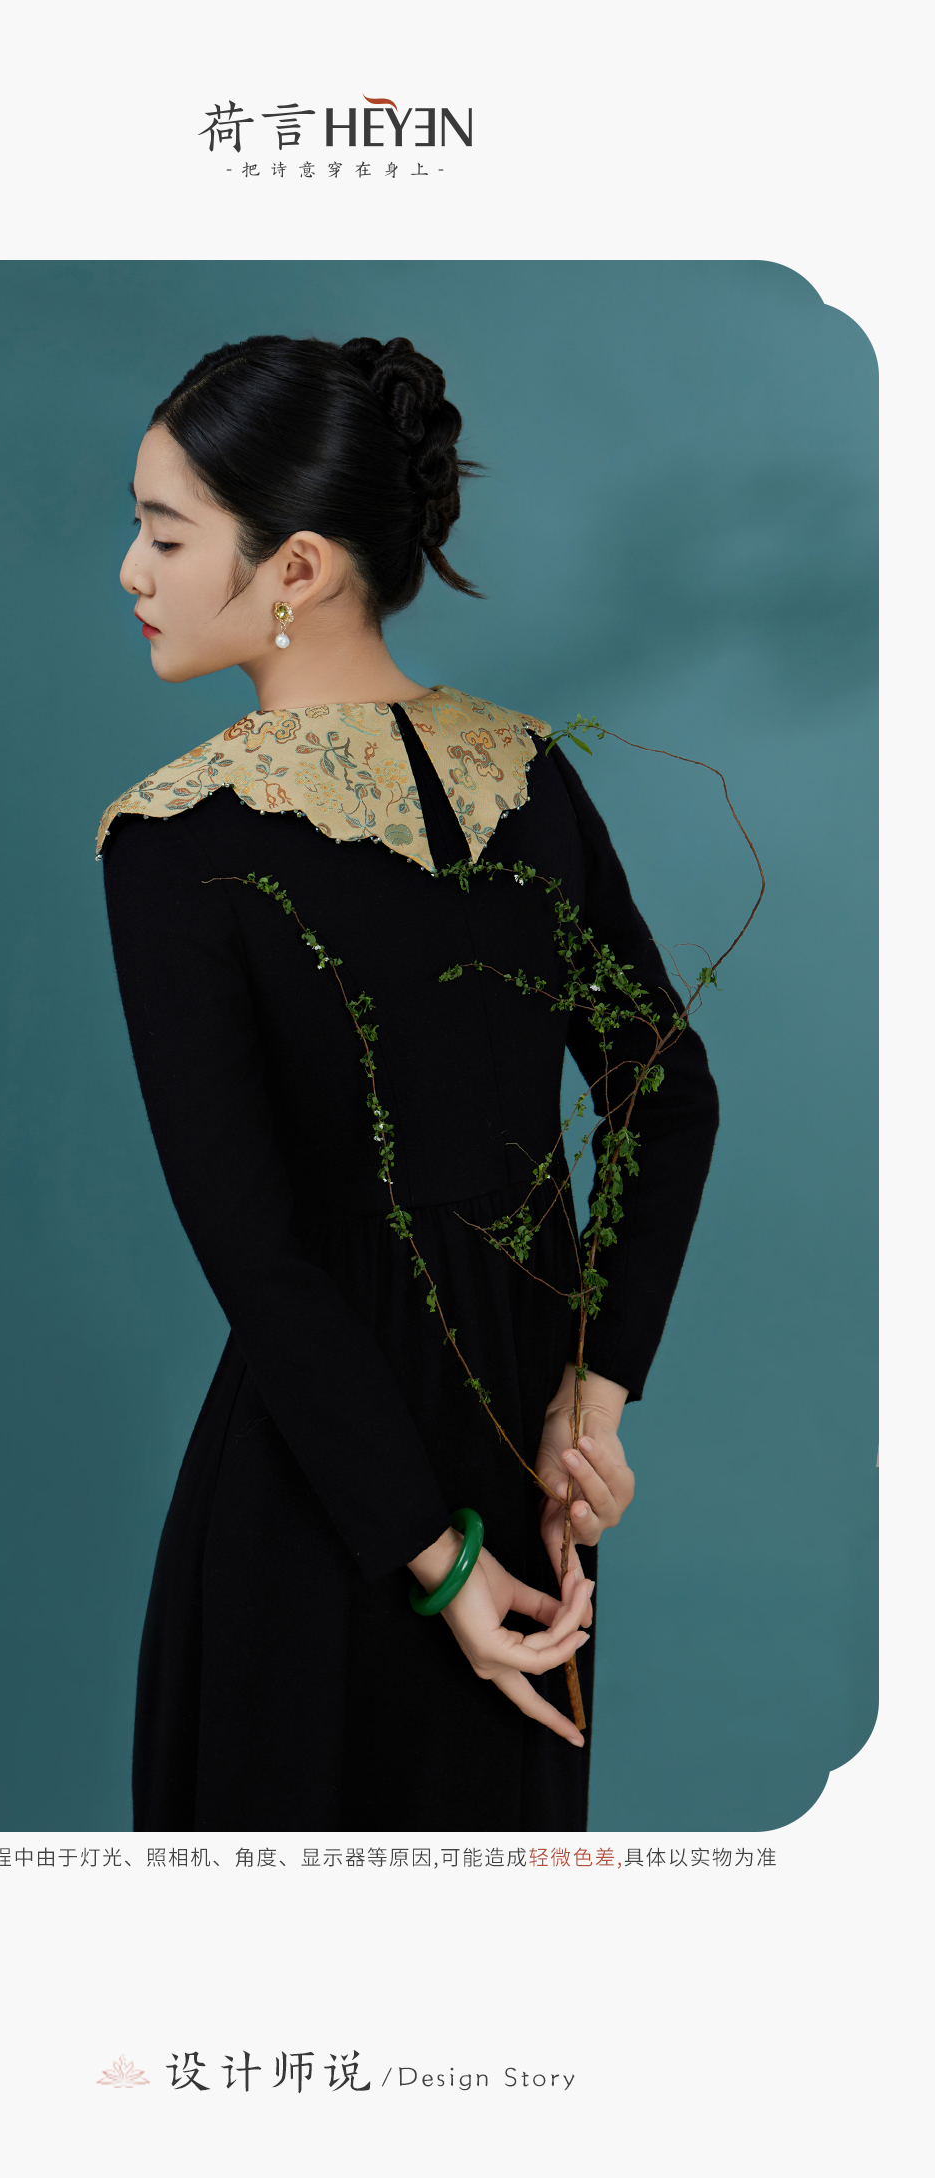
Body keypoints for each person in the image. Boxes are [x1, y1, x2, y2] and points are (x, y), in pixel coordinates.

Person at [98, 333, 719, 1830]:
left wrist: (434, 1566)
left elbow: (257, 1251)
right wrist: (592, 1399)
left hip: (325, 1502)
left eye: (166, 535)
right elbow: (667, 1092)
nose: (132, 570)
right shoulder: (531, 772)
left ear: (297, 567)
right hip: (527, 1475)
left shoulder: (173, 840)